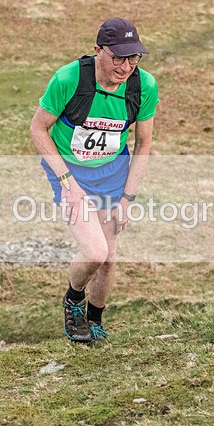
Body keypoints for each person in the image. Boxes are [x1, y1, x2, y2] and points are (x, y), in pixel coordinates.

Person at [29, 17, 159, 343]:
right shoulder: (69, 79)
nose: (126, 66)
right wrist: (67, 184)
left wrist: (128, 199)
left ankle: (95, 321)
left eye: (133, 58)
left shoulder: (143, 87)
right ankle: (73, 299)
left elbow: (143, 144)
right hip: (71, 172)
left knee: (110, 255)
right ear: (97, 50)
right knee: (95, 251)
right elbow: (37, 129)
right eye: (117, 57)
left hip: (114, 173)